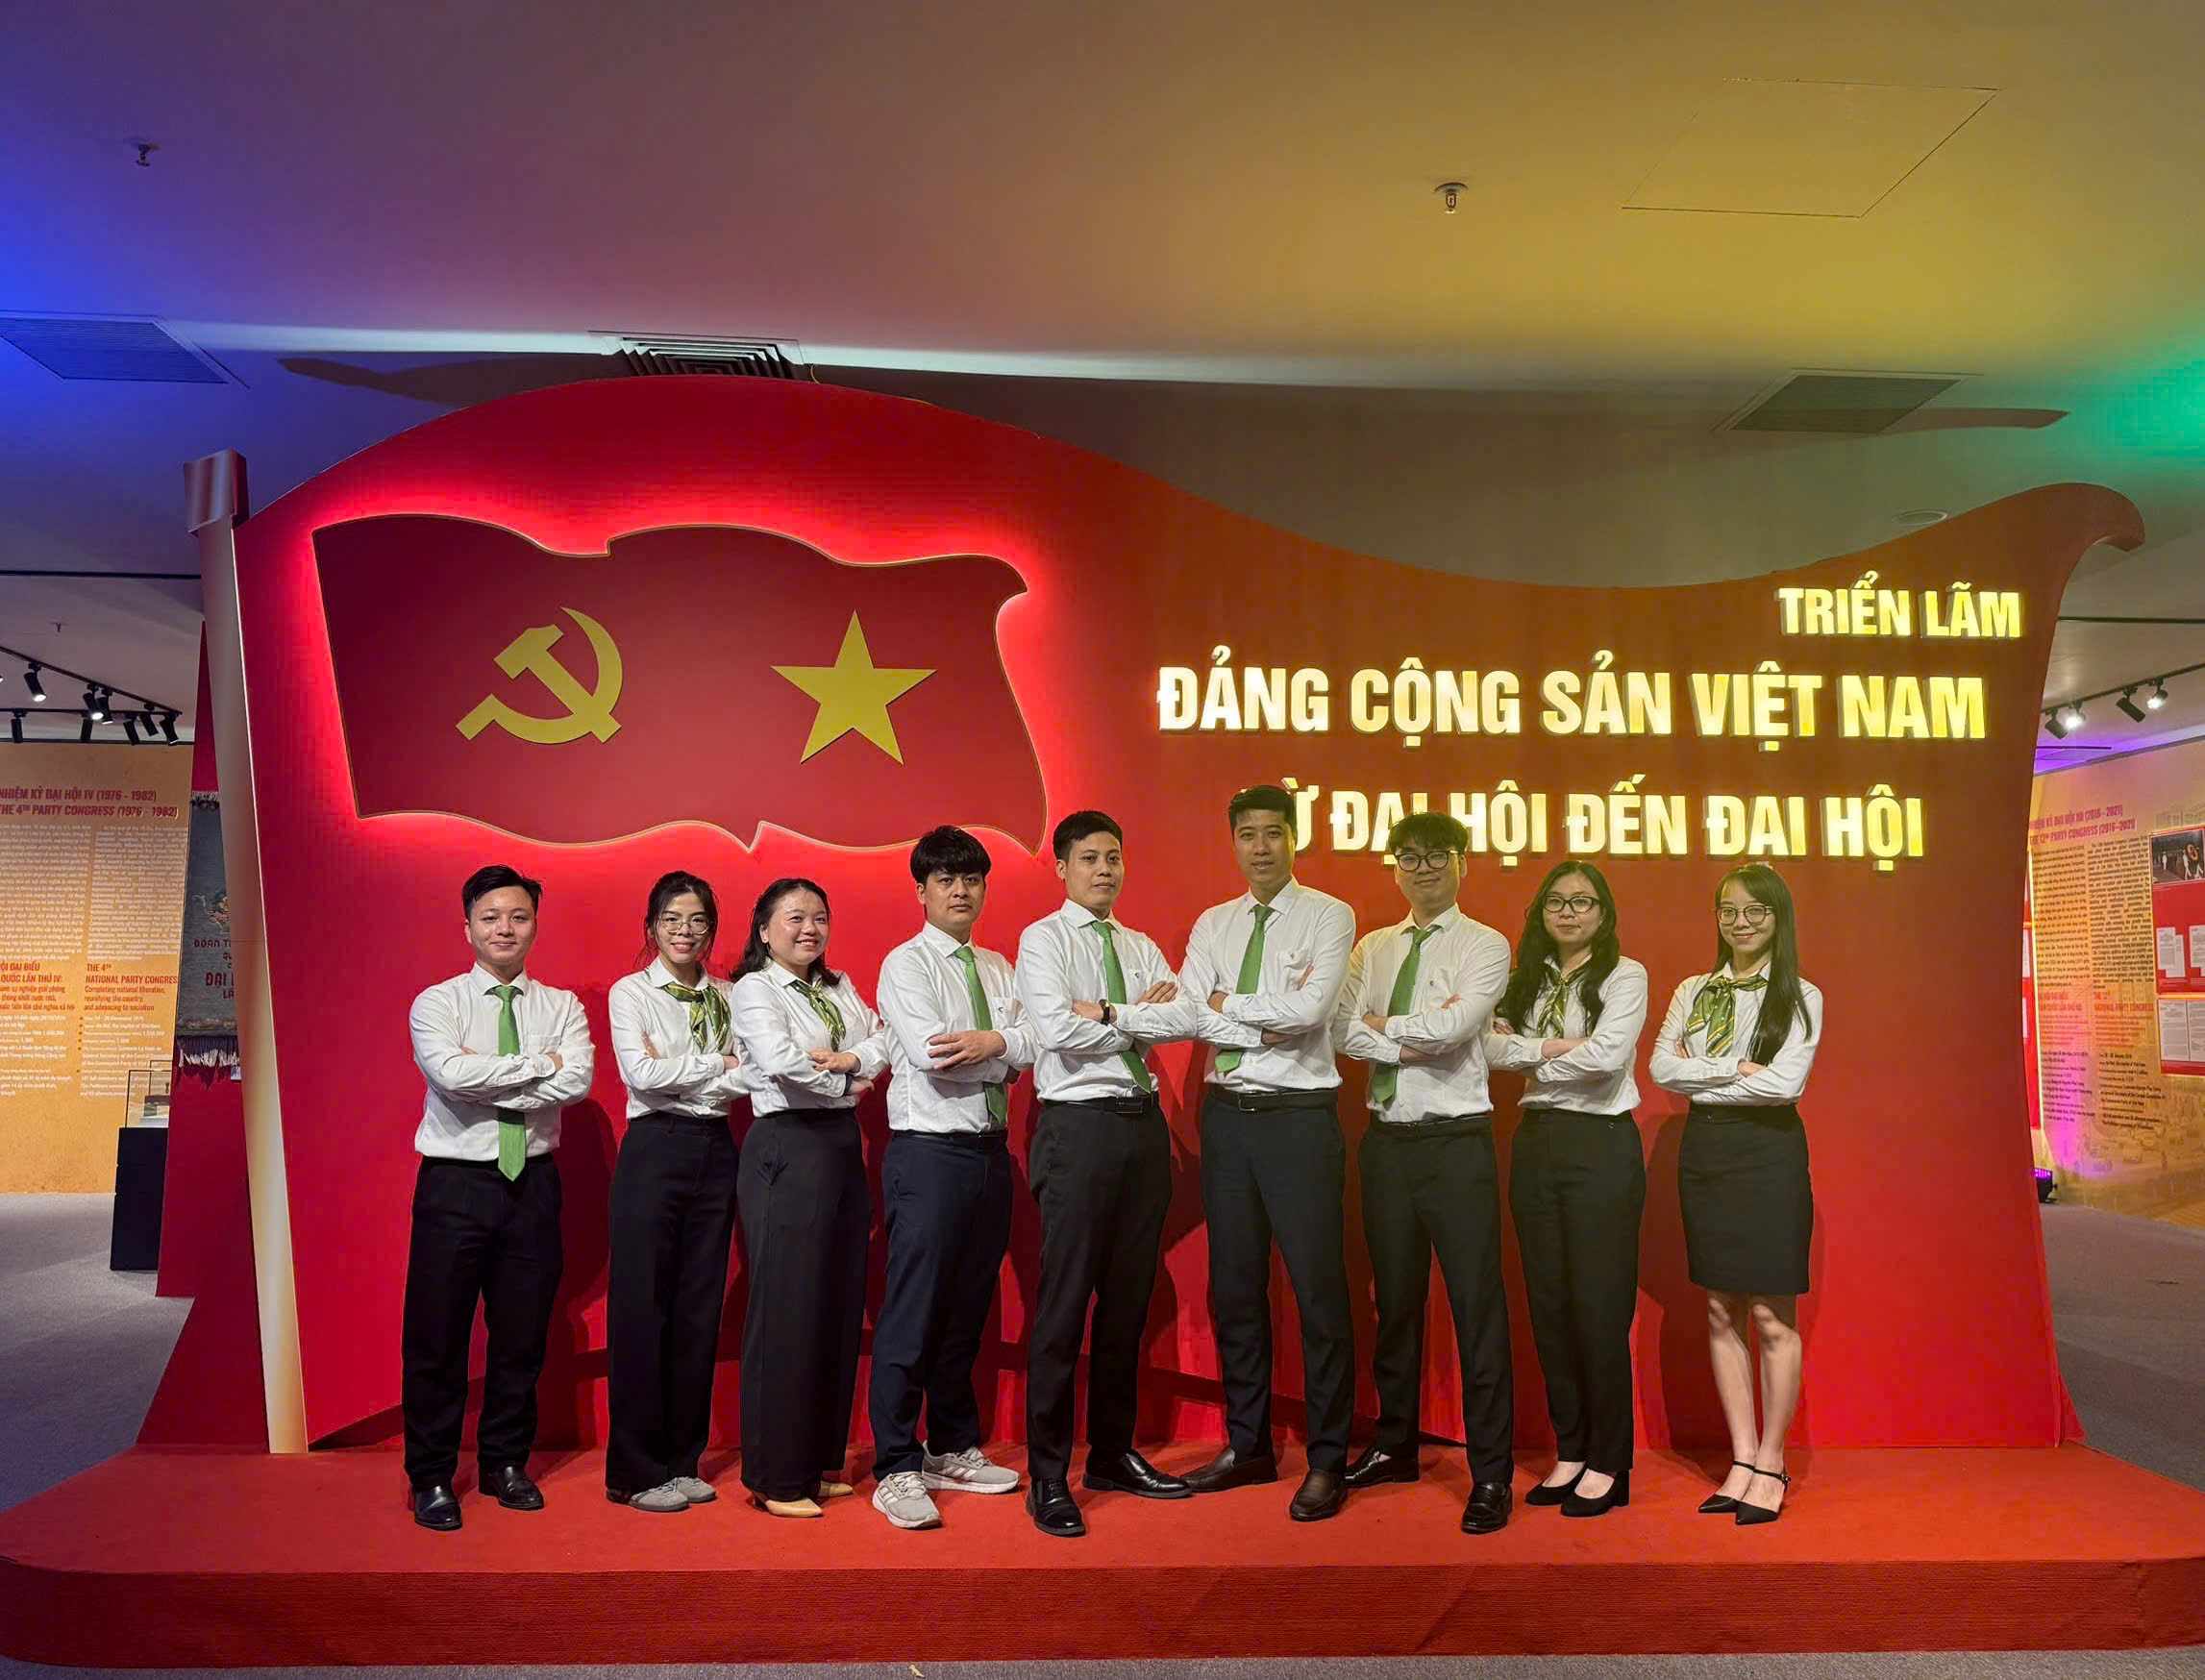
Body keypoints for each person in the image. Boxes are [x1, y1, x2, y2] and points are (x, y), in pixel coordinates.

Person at [1013, 810, 1202, 1537]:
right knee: (1064, 1305)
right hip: (1079, 1130)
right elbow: (1056, 1029)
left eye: (1113, 857)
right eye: (1089, 858)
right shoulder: (1043, 939)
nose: (1104, 869)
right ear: (1063, 867)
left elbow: (1184, 1018)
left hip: (1141, 1128)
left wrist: (1107, 1011)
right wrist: (1131, 1018)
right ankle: (1048, 1473)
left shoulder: (1140, 943)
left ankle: (1113, 1454)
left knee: (1128, 1301)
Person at [1329, 812, 1515, 1535]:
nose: (1424, 867)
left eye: (1439, 854)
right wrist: (1405, 1034)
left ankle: (1491, 1472)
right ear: (1395, 866)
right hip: (1387, 1145)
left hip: (1456, 1144)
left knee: (1476, 1308)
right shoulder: (1372, 948)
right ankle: (1395, 1444)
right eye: (1409, 856)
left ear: (1463, 862)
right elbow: (1340, 1030)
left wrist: (1385, 1029)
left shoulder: (1485, 944)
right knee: (1395, 1305)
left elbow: (1454, 1030)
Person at [1177, 784, 1358, 1520]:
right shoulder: (1214, 923)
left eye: (1274, 833)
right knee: (1235, 1289)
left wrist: (1229, 1006)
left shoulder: (1329, 915)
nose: (1261, 846)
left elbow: (1310, 1013)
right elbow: (1192, 1010)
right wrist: (1244, 1016)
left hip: (1298, 1120)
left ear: (1294, 838)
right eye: (1248, 833)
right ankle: (1248, 1445)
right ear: (1234, 842)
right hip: (1229, 1121)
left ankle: (1328, 1459)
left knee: (1318, 1292)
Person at [401, 864, 594, 1532]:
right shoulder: (438, 1003)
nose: (504, 928)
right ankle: (430, 1475)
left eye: (518, 916)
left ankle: (505, 1463)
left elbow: (577, 1083)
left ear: (534, 925)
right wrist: (540, 1065)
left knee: (522, 1334)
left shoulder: (561, 1007)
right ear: (468, 928)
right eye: (490, 917)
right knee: (437, 1336)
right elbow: (451, 1075)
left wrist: (494, 1076)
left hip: (532, 1183)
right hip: (455, 1183)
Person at [869, 826, 1036, 1531]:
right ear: (922, 891)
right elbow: (933, 1053)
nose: (960, 891)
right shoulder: (905, 964)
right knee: (914, 1310)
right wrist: (1006, 1051)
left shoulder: (999, 967)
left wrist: (994, 1043)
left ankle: (951, 1446)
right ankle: (895, 1465)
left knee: (968, 1307)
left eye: (971, 879)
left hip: (990, 1153)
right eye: (946, 880)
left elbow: (1038, 1041)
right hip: (929, 1153)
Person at [1649, 862, 1823, 1527]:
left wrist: (1706, 1075)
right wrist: (1733, 1067)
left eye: (1755, 910)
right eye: (1728, 910)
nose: (1740, 922)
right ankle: (1742, 1459)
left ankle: (1773, 1461)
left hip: (1769, 1153)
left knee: (1773, 1317)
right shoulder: (1694, 990)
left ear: (1778, 919)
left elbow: (1784, 1086)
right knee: (1720, 1309)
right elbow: (1662, 1068)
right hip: (1707, 1153)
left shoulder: (1801, 995)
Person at [1486, 860, 1648, 1519]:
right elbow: (1488, 1052)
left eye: (1583, 902)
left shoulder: (1624, 974)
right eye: (1556, 901)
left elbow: (1606, 1058)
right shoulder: (1521, 979)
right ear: (1541, 913)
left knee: (1598, 1306)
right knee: (1549, 1303)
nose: (1569, 912)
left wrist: (1529, 1049)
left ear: (1603, 914)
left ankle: (1610, 1460)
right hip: (1537, 1142)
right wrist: (1560, 1047)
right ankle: (1572, 1448)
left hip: (1600, 1144)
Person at [730, 877, 890, 1519]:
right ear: (764, 930)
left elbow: (882, 1043)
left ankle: (817, 1462)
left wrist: (846, 1062)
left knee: (835, 1305)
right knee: (787, 1310)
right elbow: (780, 1061)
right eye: (794, 918)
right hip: (786, 1145)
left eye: (819, 917)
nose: (809, 929)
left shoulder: (839, 986)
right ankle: (775, 1476)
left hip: (840, 1147)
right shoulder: (754, 988)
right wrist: (849, 1079)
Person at [603, 871, 746, 1514]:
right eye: (671, 920)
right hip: (654, 1148)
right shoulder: (632, 992)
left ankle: (682, 1460)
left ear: (711, 929)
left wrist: (686, 1072)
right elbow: (642, 1075)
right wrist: (717, 1065)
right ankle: (634, 1471)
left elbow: (752, 1075)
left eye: (697, 921)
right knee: (643, 1307)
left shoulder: (730, 995)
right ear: (651, 927)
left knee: (698, 1307)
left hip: (716, 1148)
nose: (684, 932)